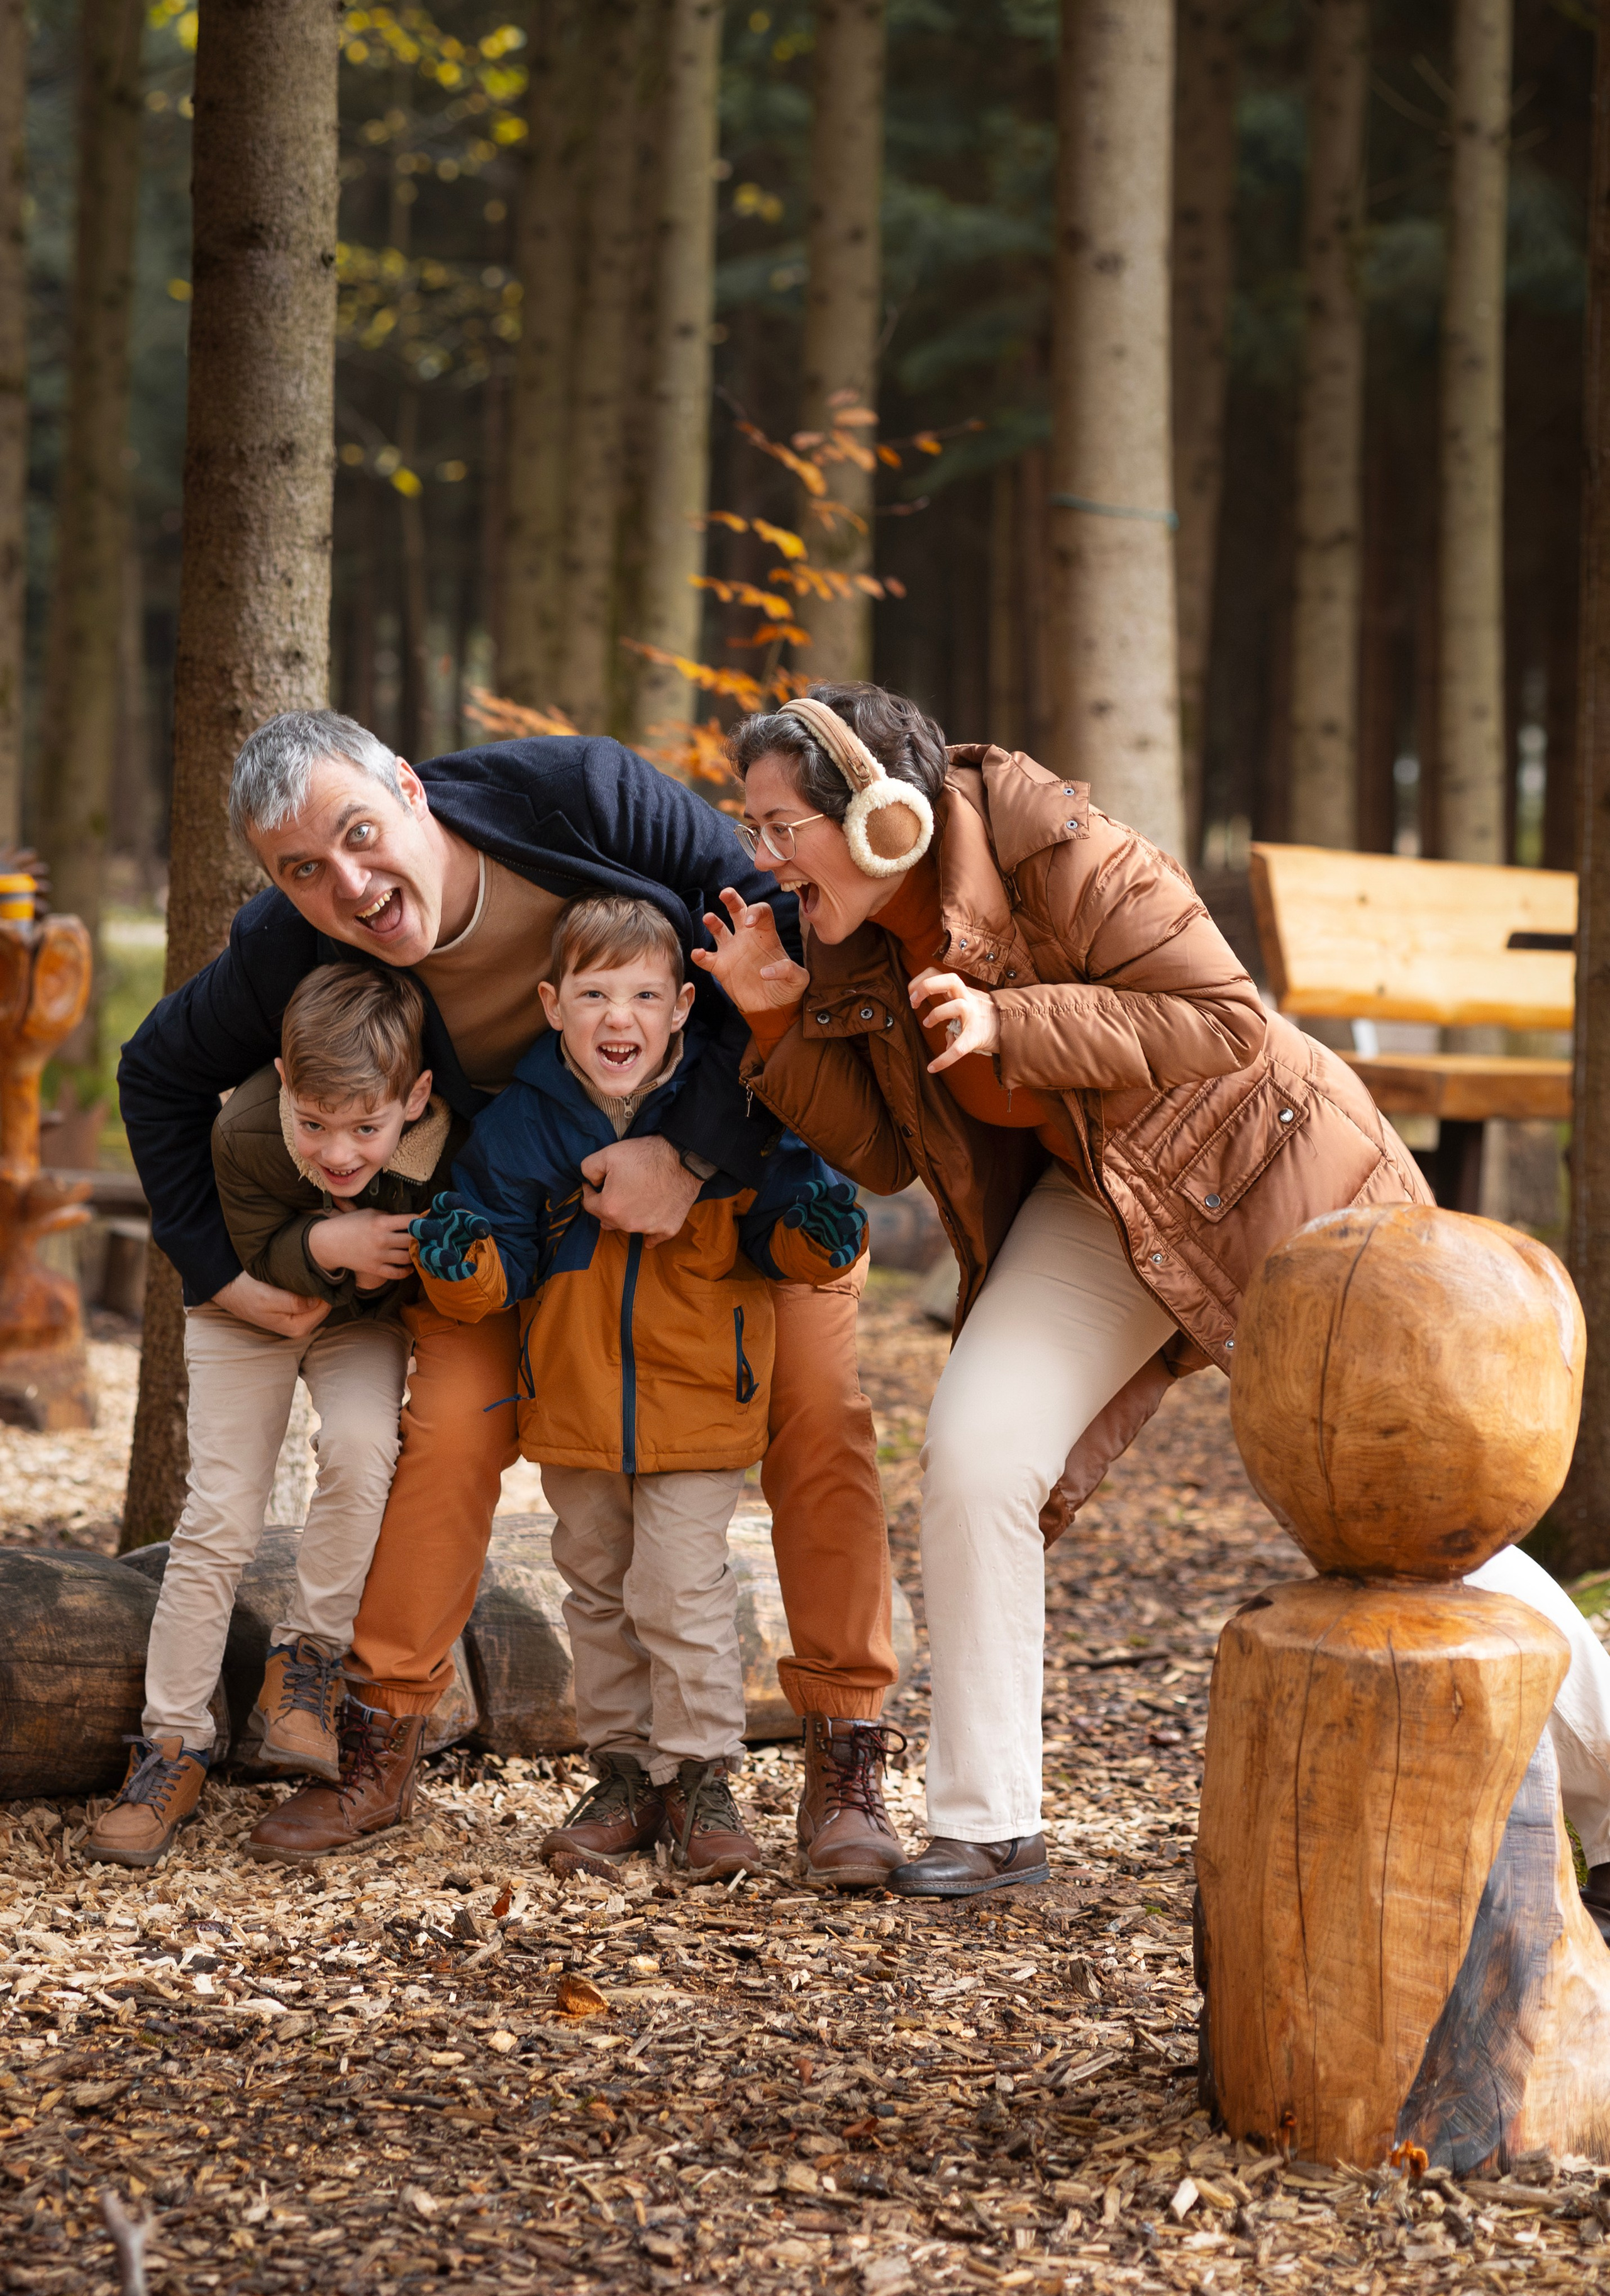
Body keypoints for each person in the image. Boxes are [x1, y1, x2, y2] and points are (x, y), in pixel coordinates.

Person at [697, 681, 1610, 1905]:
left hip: (1268, 1166)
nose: (763, 858)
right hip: (1095, 1200)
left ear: (882, 819)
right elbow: (886, 1155)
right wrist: (778, 1028)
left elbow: (1218, 1020)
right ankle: (987, 1828)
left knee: (1400, 1506)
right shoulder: (843, 939)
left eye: (777, 826)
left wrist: (1009, 1025)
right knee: (975, 1451)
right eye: (749, 827)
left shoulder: (1052, 840)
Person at [119, 711, 906, 1883]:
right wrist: (225, 1273)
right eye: (304, 871)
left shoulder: (574, 797)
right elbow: (158, 1070)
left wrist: (689, 1154)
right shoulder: (294, 943)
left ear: (407, 787)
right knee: (448, 1427)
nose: (351, 884)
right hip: (519, 1219)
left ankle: (846, 1757)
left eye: (359, 833)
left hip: (750, 1180)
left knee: (818, 1417)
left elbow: (783, 928)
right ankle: (380, 1739)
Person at [400, 893, 870, 1882]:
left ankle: (700, 1775)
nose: (621, 1016)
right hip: (573, 1406)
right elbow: (504, 1260)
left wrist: (814, 1234)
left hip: (702, 1394)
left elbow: (784, 1209)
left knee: (680, 1588)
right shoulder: (526, 1121)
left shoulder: (721, 1105)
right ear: (552, 1002)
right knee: (599, 1589)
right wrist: (461, 1262)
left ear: (684, 1008)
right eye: (596, 992)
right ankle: (623, 1774)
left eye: (645, 993)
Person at [86, 964, 461, 1869]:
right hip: (240, 1307)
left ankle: (305, 1662)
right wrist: (329, 1241)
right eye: (316, 1124)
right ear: (286, 1087)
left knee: (366, 1446)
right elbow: (247, 1250)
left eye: (366, 1128)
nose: (339, 1154)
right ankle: (171, 1744)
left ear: (414, 1099)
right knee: (218, 1515)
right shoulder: (248, 1129)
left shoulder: (446, 1144)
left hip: (360, 1323)